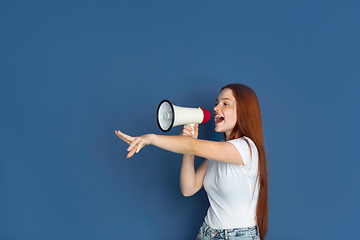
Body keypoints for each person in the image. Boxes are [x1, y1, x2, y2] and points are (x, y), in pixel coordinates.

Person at [115, 83, 268, 240]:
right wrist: (189, 142)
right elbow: (188, 188)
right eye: (217, 102)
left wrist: (151, 138)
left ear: (244, 111)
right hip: (207, 233)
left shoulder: (246, 147)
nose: (216, 108)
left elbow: (192, 147)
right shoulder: (219, 151)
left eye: (225, 103)